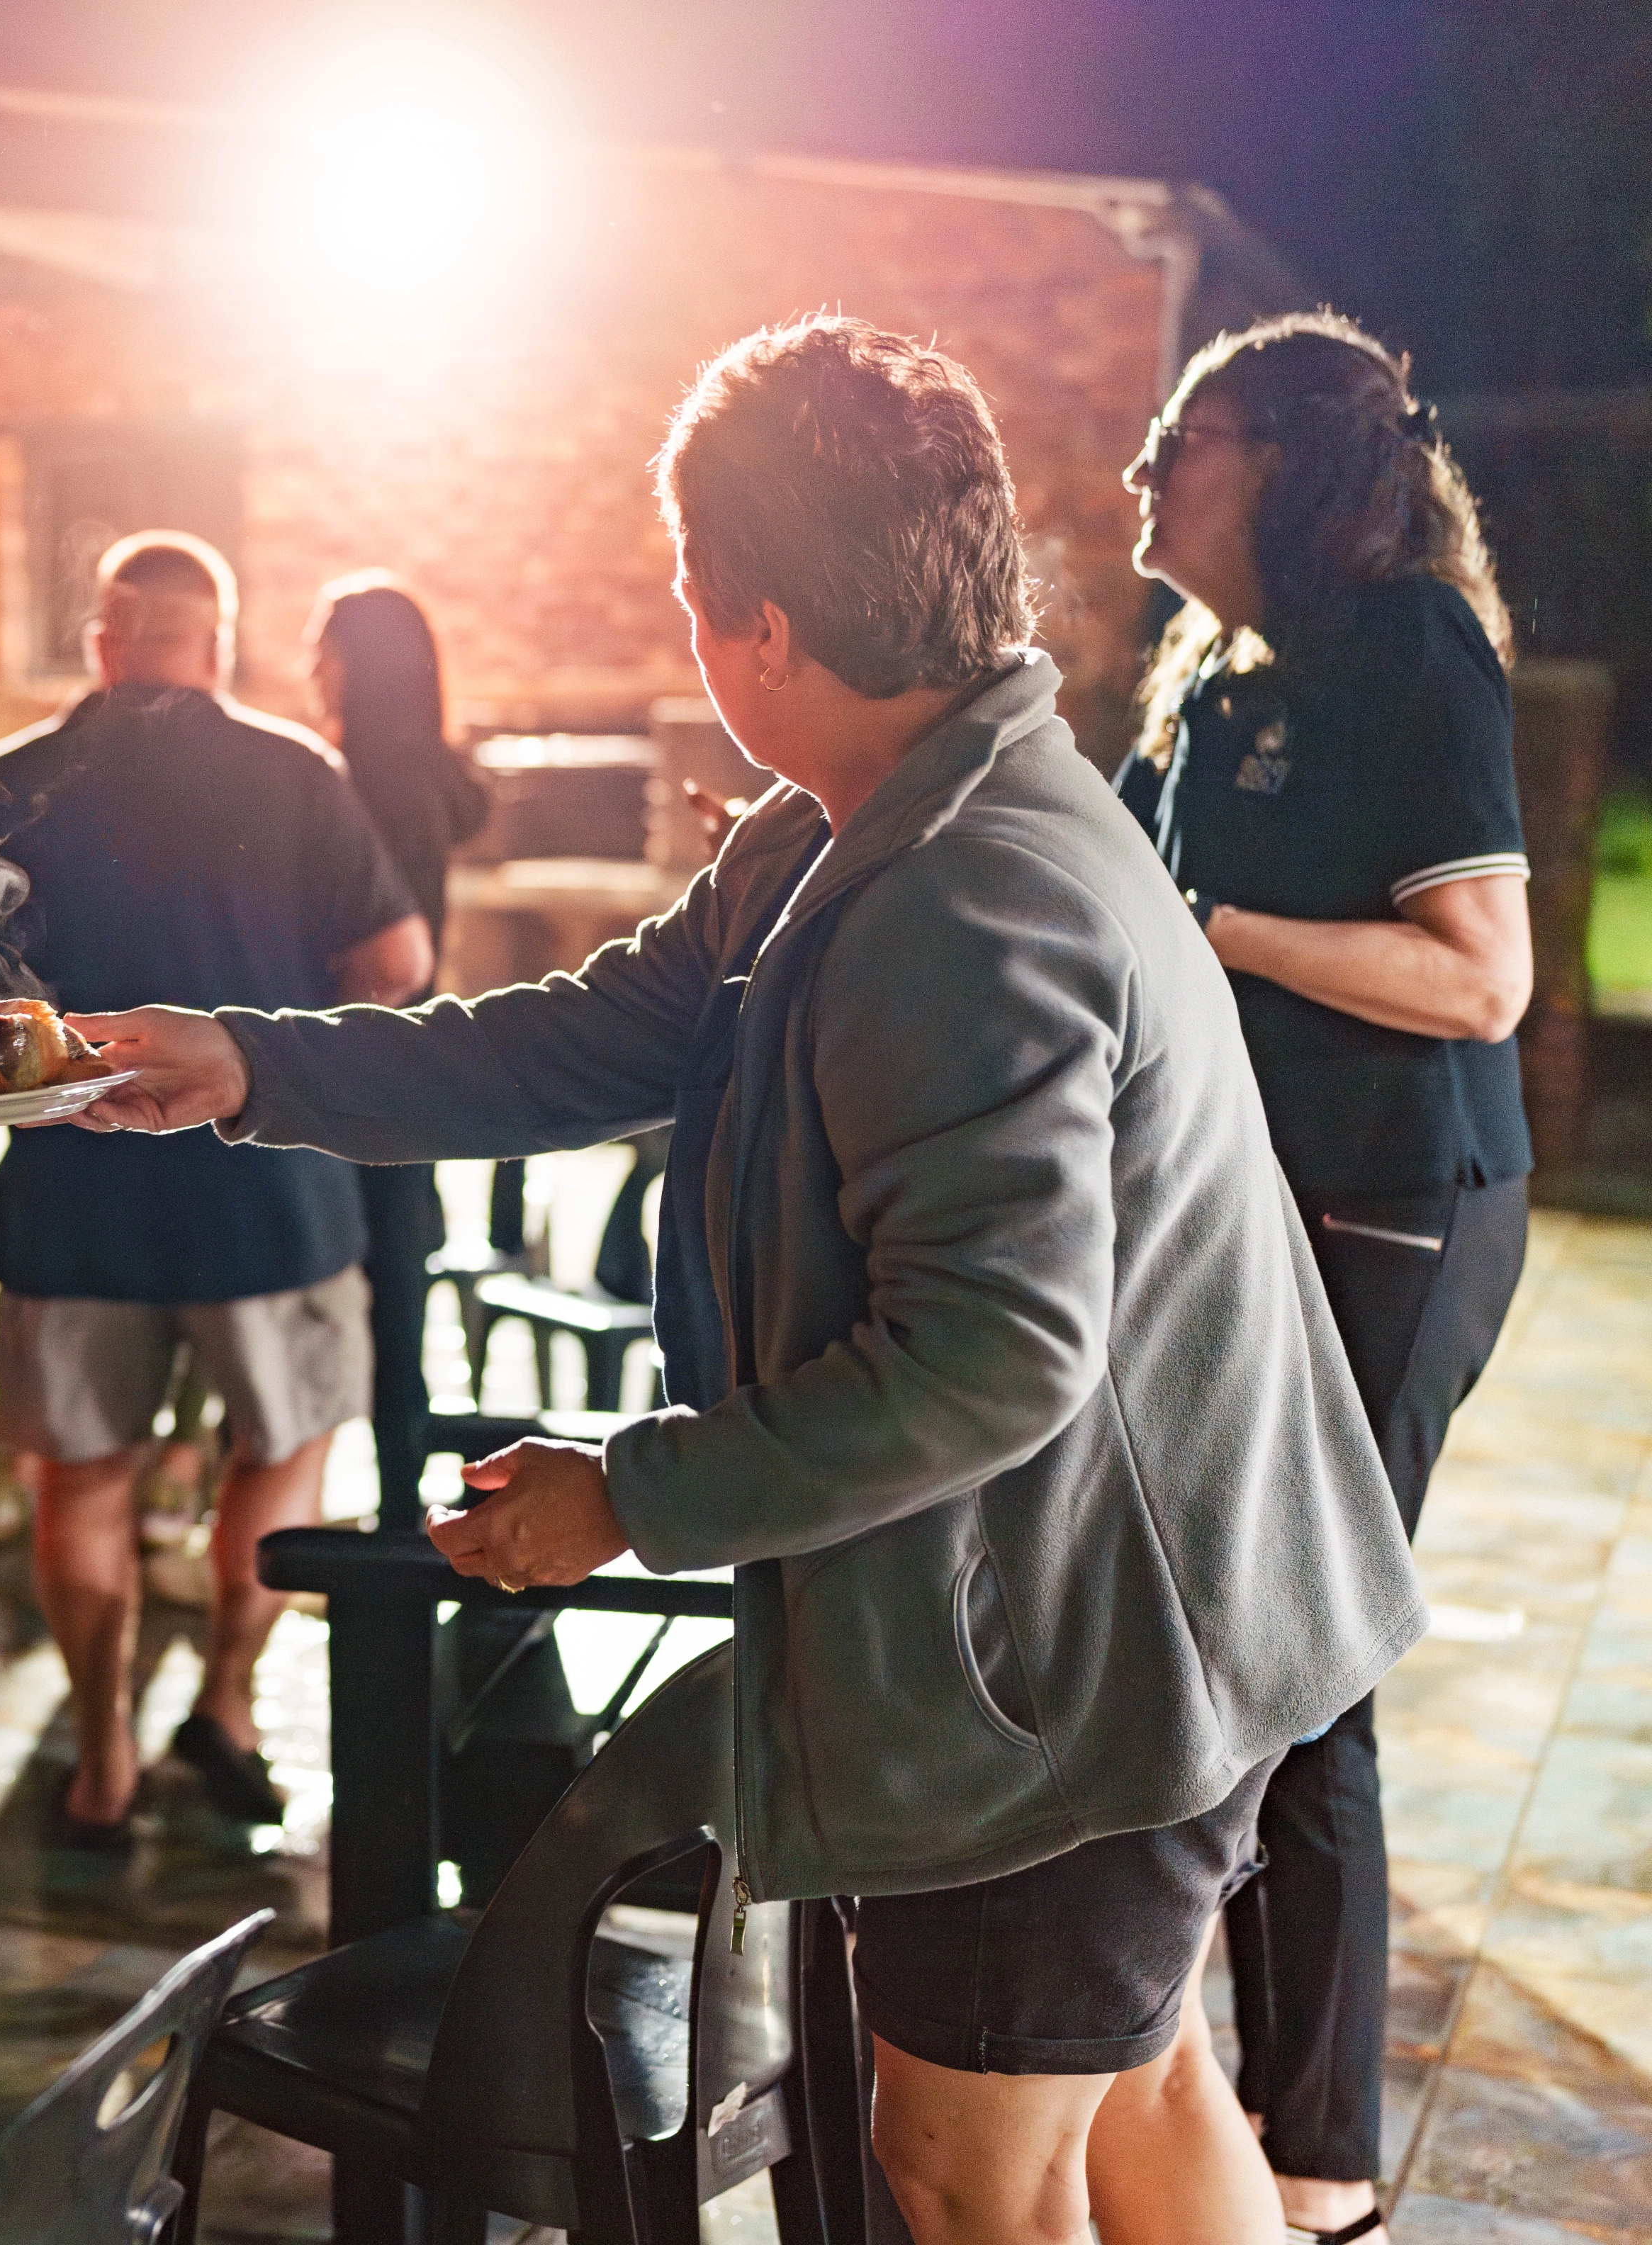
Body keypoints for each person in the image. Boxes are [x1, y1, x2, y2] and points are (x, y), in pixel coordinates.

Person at [75, 320, 1422, 2245]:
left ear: (764, 626)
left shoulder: (971, 887)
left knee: (974, 2178)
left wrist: (630, 1493)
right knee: (1140, 2089)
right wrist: (250, 1062)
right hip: (1152, 1627)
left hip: (1074, 1671)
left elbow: (984, 1364)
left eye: (701, 602)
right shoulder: (854, 820)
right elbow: (584, 1041)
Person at [1116, 313, 1534, 2245]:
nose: (1141, 474)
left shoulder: (1409, 645)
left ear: (1286, 464)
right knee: (1230, 1647)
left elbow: (1482, 978)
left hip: (1396, 1208)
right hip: (1257, 1205)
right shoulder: (1212, 673)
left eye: (1181, 443)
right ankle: (1206, 2096)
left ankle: (1323, 2164)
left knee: (1302, 1663)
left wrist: (1224, 935)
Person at [0, 529, 430, 1847]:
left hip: (70, 1198)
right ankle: (227, 1707)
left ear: (102, 636)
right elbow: (401, 958)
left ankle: (99, 1763)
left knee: (80, 1483)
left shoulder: (4, 783)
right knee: (282, 1451)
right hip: (269, 1192)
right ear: (218, 637)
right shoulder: (295, 773)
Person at [302, 573, 487, 1500]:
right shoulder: (410, 774)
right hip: (403, 1063)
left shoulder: (380, 784)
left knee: (382, 1298)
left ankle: (396, 1511)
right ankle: (396, 1497)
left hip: (367, 1061)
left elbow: (388, 954)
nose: (311, 671)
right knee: (395, 1294)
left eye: (325, 651)